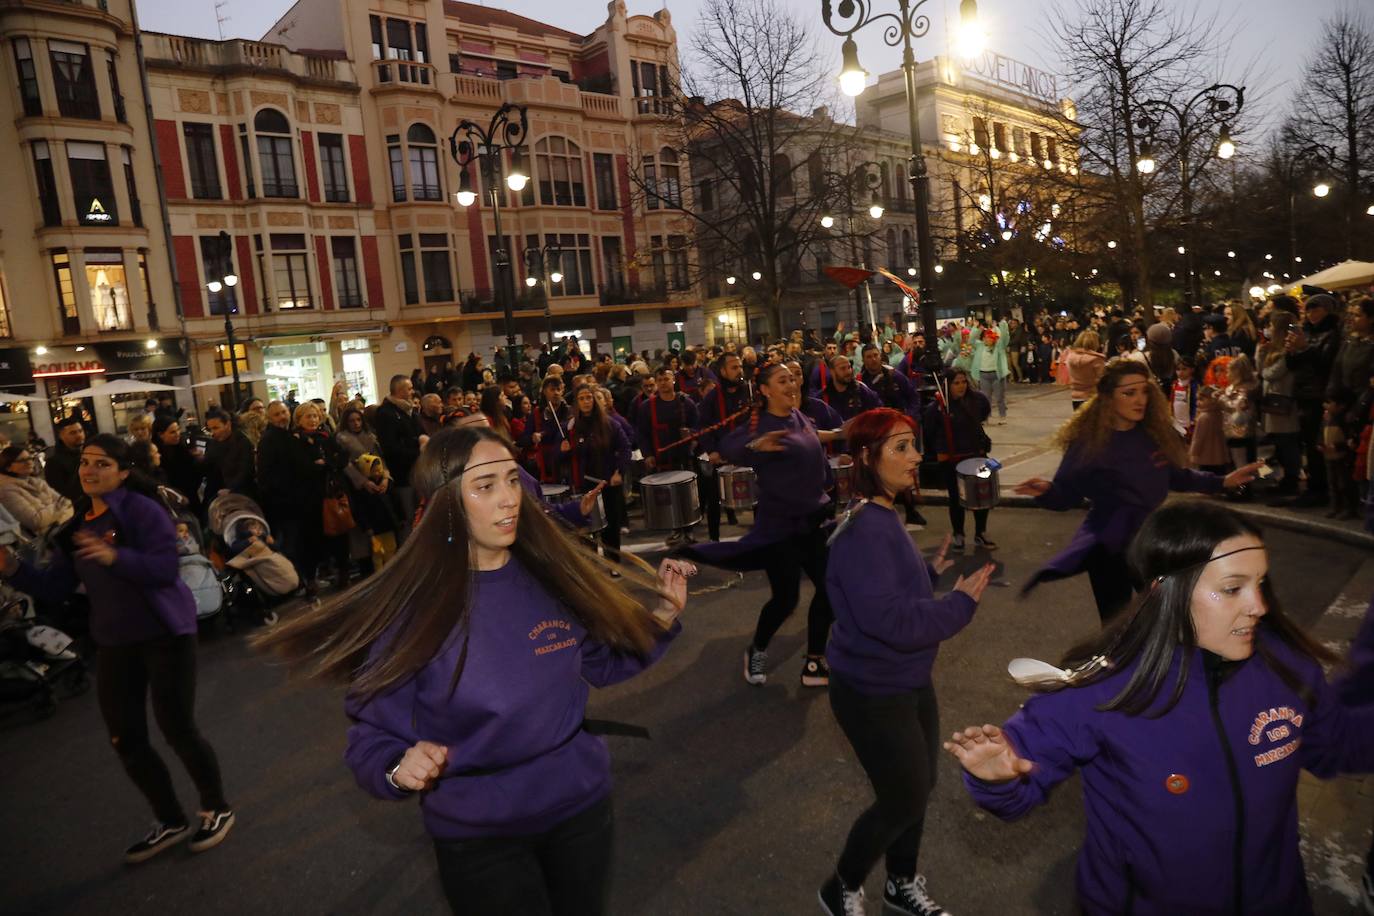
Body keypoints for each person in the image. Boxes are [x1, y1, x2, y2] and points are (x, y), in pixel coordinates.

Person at [253, 425, 692, 914]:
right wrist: (397, 768)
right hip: (480, 837)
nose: (509, 499)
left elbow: (603, 664)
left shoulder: (550, 577)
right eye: (485, 486)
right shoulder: (415, 612)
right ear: (448, 504)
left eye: (511, 479)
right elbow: (371, 736)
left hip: (581, 809)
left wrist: (661, 618)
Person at [945, 501, 1374, 916]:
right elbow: (1020, 790)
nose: (1258, 605)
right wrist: (997, 778)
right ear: (1165, 591)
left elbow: (1334, 747)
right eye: (1232, 589)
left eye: (1260, 583)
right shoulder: (1099, 691)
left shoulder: (1288, 667)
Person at [1, 435, 234, 863]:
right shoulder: (77, 526)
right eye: (85, 463)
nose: (89, 470)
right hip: (114, 642)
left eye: (101, 463)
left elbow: (166, 570)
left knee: (177, 729)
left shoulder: (142, 511)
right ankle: (170, 819)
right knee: (125, 737)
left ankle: (216, 808)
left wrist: (115, 557)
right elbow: (56, 587)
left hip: (165, 635)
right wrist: (13, 568)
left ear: (123, 471)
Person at [820, 408, 995, 916]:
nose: (916, 456)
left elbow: (882, 590)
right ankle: (841, 887)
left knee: (918, 789)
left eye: (913, 445)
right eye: (900, 447)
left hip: (907, 679)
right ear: (866, 458)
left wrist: (925, 571)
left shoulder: (880, 513)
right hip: (872, 690)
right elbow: (890, 623)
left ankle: (899, 884)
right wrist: (959, 604)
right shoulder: (862, 530)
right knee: (902, 798)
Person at [1015, 360, 1260, 622]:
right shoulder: (1090, 443)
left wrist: (1223, 481)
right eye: (1129, 393)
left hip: (1149, 540)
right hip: (1110, 545)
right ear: (1108, 398)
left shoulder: (1150, 435)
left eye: (1144, 391)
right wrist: (1046, 491)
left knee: (1169, 615)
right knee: (1116, 625)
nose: (1139, 400)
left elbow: (1176, 477)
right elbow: (1067, 495)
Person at [682, 363, 838, 687]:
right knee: (786, 600)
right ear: (765, 391)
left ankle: (814, 661)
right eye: (782, 380)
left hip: (814, 522)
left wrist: (843, 433)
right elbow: (728, 447)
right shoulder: (762, 424)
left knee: (830, 590)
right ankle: (757, 648)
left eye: (793, 378)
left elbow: (811, 438)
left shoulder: (797, 416)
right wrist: (755, 447)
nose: (792, 383)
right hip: (782, 528)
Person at [923, 369, 995, 551]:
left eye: (963, 382)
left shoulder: (977, 400)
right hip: (951, 459)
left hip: (975, 454)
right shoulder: (938, 406)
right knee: (956, 498)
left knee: (981, 495)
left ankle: (981, 533)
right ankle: (959, 534)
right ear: (948, 384)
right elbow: (929, 432)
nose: (961, 386)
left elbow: (984, 414)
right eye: (956, 383)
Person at [1286, 293, 1342, 508]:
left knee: (1318, 444)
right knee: (1307, 443)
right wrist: (1291, 351)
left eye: (1315, 309)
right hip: (1303, 393)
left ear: (1327, 310)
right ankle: (1313, 485)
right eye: (1308, 310)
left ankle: (1322, 489)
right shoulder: (1305, 332)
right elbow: (1293, 364)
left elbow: (1325, 364)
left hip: (1320, 395)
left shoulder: (1333, 334)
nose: (1310, 314)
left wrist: (1304, 349)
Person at [289, 402, 351, 592]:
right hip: (310, 498)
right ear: (299, 419)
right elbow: (301, 466)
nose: (313, 420)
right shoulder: (295, 440)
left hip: (331, 494)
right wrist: (323, 464)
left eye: (315, 416)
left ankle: (342, 573)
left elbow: (342, 457)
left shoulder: (326, 436)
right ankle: (311, 579)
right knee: (311, 540)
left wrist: (326, 462)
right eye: (308, 416)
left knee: (339, 535)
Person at [567, 383, 631, 562]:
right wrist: (563, 449)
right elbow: (564, 455)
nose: (586, 402)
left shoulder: (610, 424)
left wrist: (619, 472)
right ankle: (593, 565)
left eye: (589, 397)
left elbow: (625, 449)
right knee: (589, 526)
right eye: (582, 399)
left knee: (611, 525)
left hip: (609, 482)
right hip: (586, 483)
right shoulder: (572, 427)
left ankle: (614, 563)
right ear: (577, 403)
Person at [697, 353, 752, 541]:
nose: (739, 371)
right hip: (720, 456)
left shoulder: (750, 393)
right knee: (714, 500)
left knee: (759, 498)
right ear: (723, 371)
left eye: (740, 367)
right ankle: (714, 539)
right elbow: (703, 426)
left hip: (748, 453)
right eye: (734, 367)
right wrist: (712, 449)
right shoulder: (712, 398)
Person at [374, 375, 423, 543]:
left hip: (417, 471)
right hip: (402, 474)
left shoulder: (410, 410)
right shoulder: (386, 413)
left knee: (421, 514)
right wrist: (417, 449)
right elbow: (391, 447)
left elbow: (420, 432)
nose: (412, 392)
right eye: (409, 389)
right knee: (408, 517)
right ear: (399, 390)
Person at [0, 445, 73, 537]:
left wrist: (55, 517)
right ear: (8, 467)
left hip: (64, 528)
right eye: (22, 460)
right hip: (50, 540)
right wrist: (59, 508)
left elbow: (68, 502)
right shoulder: (6, 491)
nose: (29, 462)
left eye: (30, 458)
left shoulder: (37, 482)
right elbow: (36, 521)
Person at [522, 376, 573, 484]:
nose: (556, 393)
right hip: (544, 464)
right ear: (545, 391)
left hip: (564, 464)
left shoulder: (569, 412)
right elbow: (524, 439)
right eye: (552, 390)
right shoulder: (536, 413)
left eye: (558, 389)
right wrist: (533, 438)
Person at [201, 409, 257, 501]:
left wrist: (231, 489)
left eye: (216, 428)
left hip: (240, 493)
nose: (213, 433)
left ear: (228, 424)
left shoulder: (242, 442)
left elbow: (246, 470)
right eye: (210, 429)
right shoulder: (213, 443)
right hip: (217, 491)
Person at [153, 416, 202, 515]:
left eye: (178, 430)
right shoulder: (156, 455)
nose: (177, 434)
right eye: (172, 432)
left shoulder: (181, 448)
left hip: (191, 497)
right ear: (160, 434)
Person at [971, 318, 1010, 423]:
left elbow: (1005, 337)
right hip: (983, 375)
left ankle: (1003, 417)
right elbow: (971, 339)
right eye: (986, 338)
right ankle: (986, 417)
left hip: (997, 375)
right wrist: (977, 328)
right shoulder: (980, 346)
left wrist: (1002, 325)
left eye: (990, 338)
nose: (987, 339)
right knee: (985, 398)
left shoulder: (999, 347)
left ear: (994, 339)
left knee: (999, 398)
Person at [44, 414, 86, 503]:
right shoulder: (54, 463)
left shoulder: (89, 453)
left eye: (80, 431)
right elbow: (60, 494)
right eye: (73, 433)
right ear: (61, 436)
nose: (79, 435)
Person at [1064, 331, 1106, 411]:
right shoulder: (1096, 359)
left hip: (1075, 396)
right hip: (1092, 396)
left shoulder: (1070, 356)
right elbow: (1103, 379)